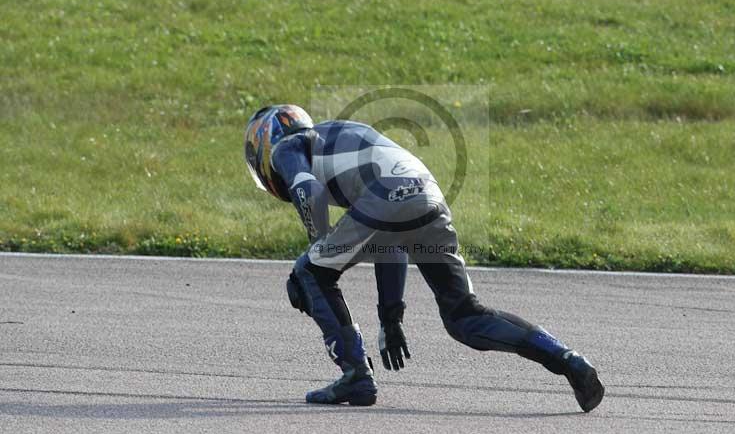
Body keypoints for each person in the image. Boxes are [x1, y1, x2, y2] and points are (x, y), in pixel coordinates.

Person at [244, 104, 605, 411]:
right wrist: (390, 319)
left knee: (307, 275)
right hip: (427, 194)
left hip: (386, 199)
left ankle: (355, 374)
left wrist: (316, 248)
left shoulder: (288, 147)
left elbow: (307, 188)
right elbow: (391, 242)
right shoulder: (344, 142)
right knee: (465, 316)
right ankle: (567, 359)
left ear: (265, 140)